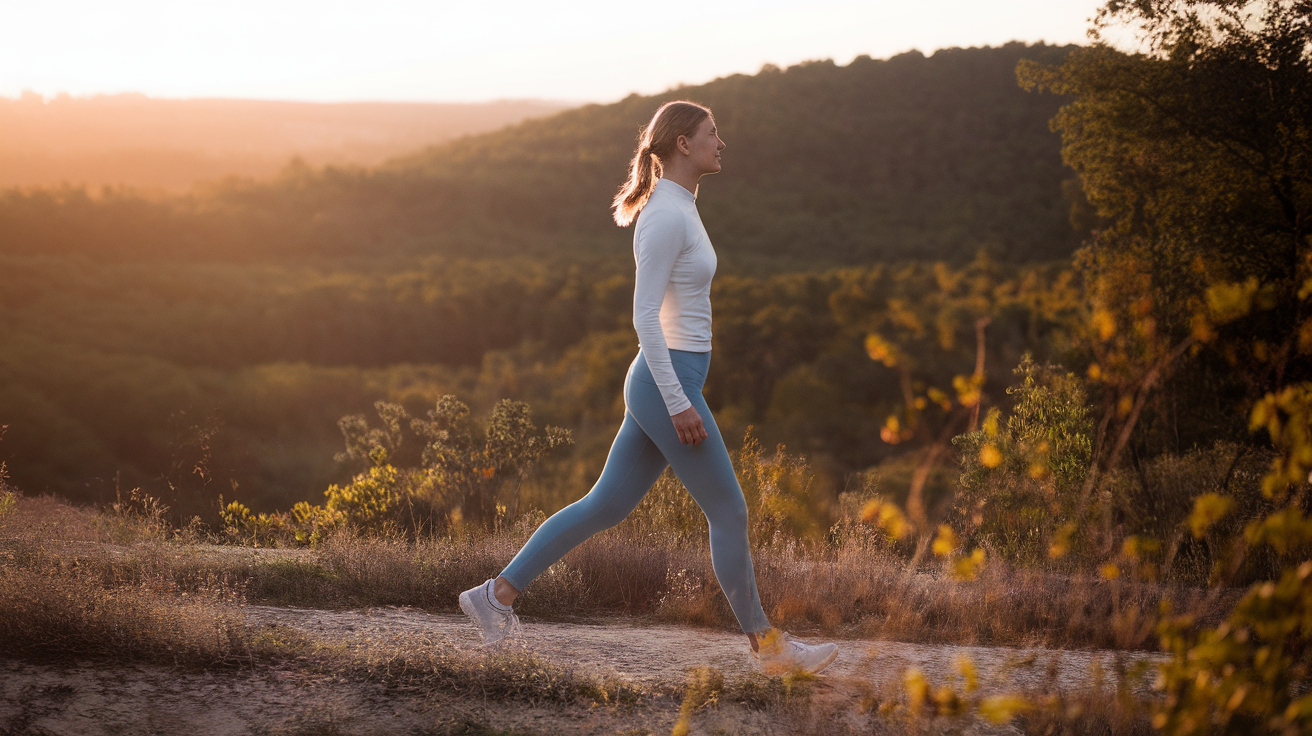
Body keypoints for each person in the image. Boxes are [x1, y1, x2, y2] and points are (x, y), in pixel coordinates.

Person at [459, 100, 838, 675]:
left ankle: (495, 596)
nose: (722, 142)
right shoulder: (664, 215)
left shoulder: (680, 206)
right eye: (714, 132)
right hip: (667, 383)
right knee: (730, 512)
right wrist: (680, 400)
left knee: (604, 505)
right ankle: (770, 648)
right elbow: (643, 318)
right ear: (683, 143)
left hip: (664, 382)